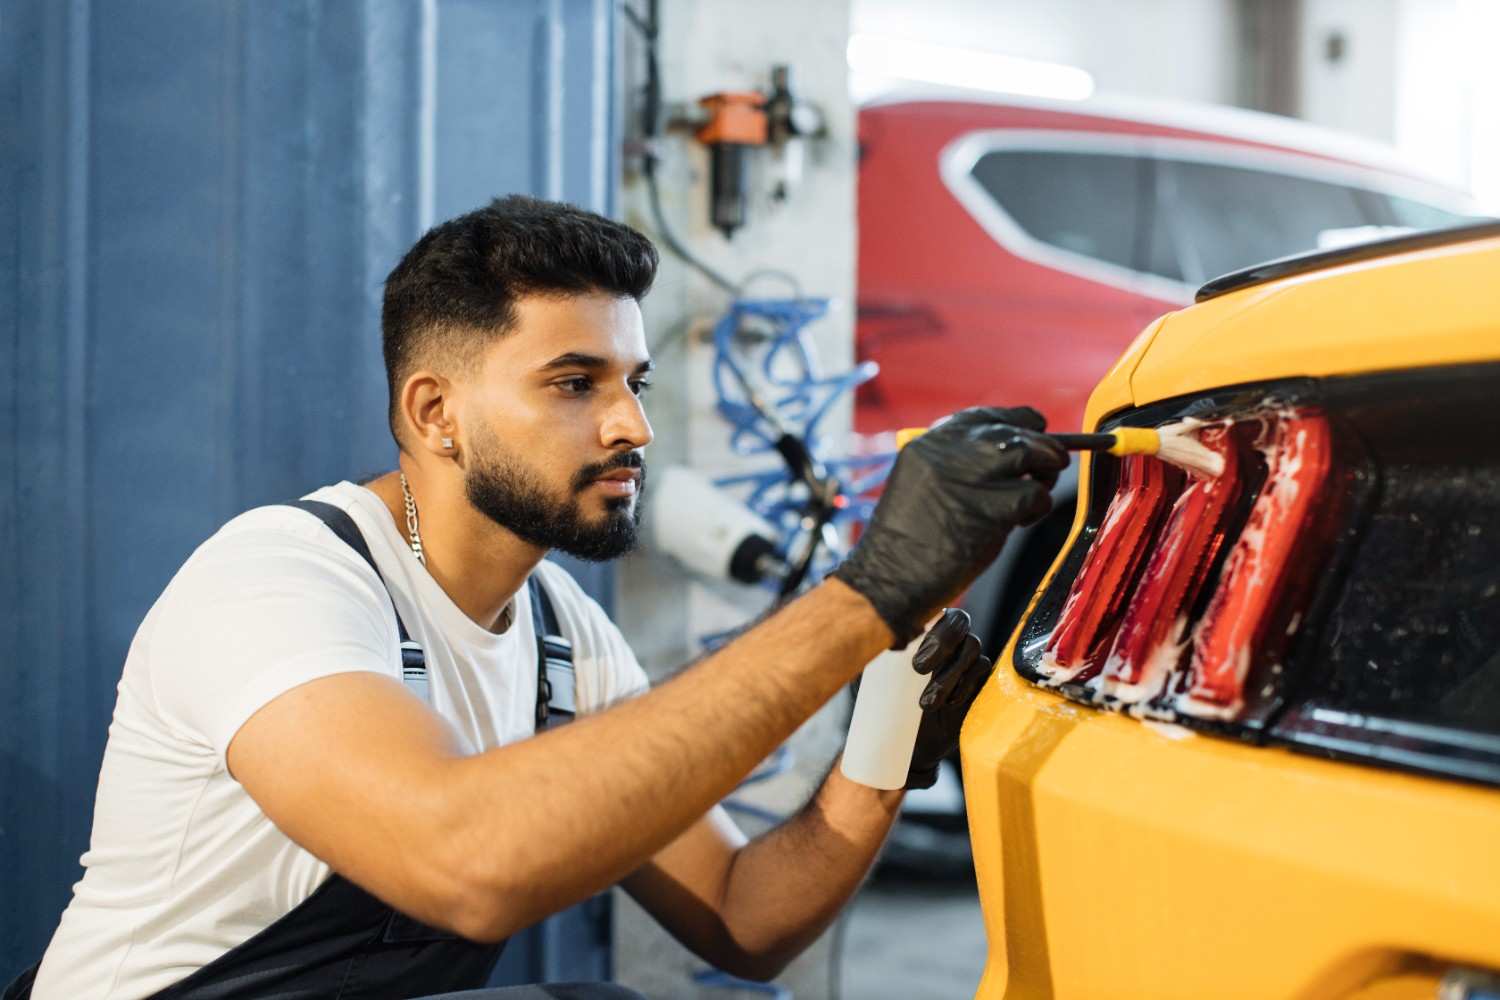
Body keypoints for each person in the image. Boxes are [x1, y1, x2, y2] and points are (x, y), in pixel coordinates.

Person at [11, 196, 1066, 1000]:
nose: (632, 428)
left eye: (633, 383)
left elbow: (745, 919)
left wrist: (882, 728)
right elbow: (464, 861)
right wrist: (864, 598)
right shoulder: (283, 578)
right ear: (436, 413)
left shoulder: (564, 638)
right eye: (575, 384)